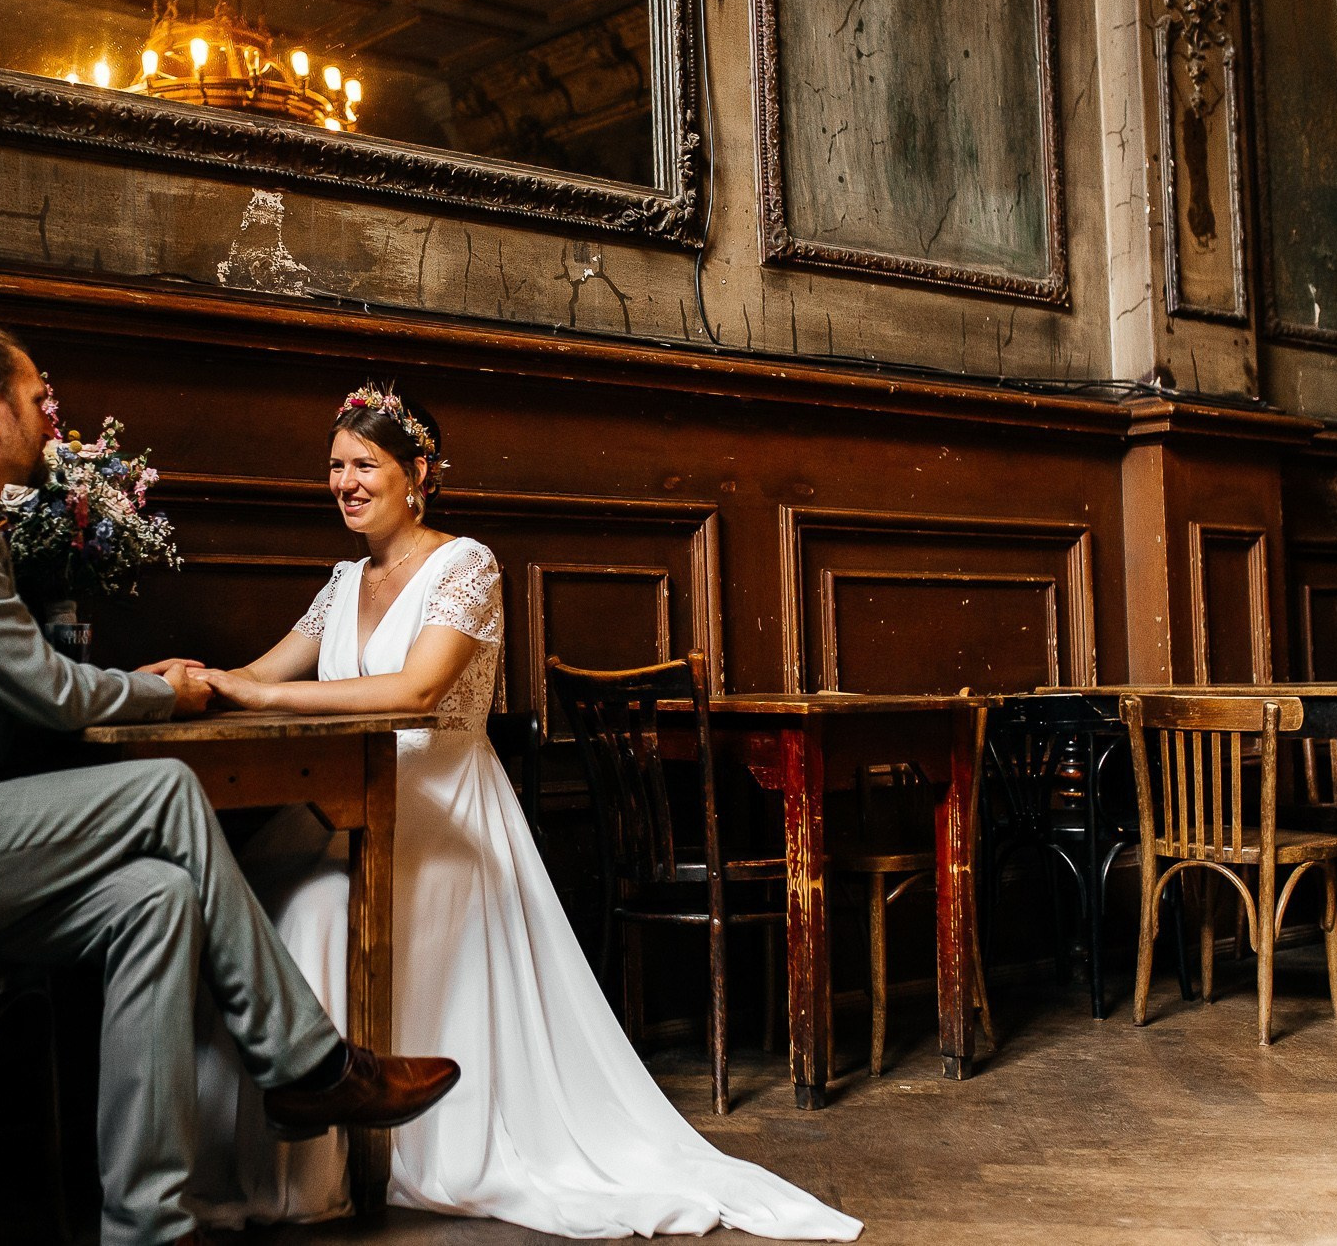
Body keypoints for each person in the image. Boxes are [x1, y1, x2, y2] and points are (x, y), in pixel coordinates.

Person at [0, 318, 459, 1246]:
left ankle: (152, 1226)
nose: (50, 419)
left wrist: (134, 691)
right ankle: (308, 1064)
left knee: (151, 897)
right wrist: (162, 690)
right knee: (163, 793)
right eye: (38, 399)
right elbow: (44, 690)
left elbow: (12, 694)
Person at [185, 385, 863, 1240]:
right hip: (348, 803)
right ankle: (285, 1159)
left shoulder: (465, 562)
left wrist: (248, 691)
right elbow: (266, 673)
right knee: (257, 895)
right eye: (335, 467)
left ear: (418, 473)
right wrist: (201, 681)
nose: (345, 483)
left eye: (365, 465)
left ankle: (343, 1163)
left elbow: (419, 688)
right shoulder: (343, 580)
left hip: (443, 811)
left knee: (320, 910)